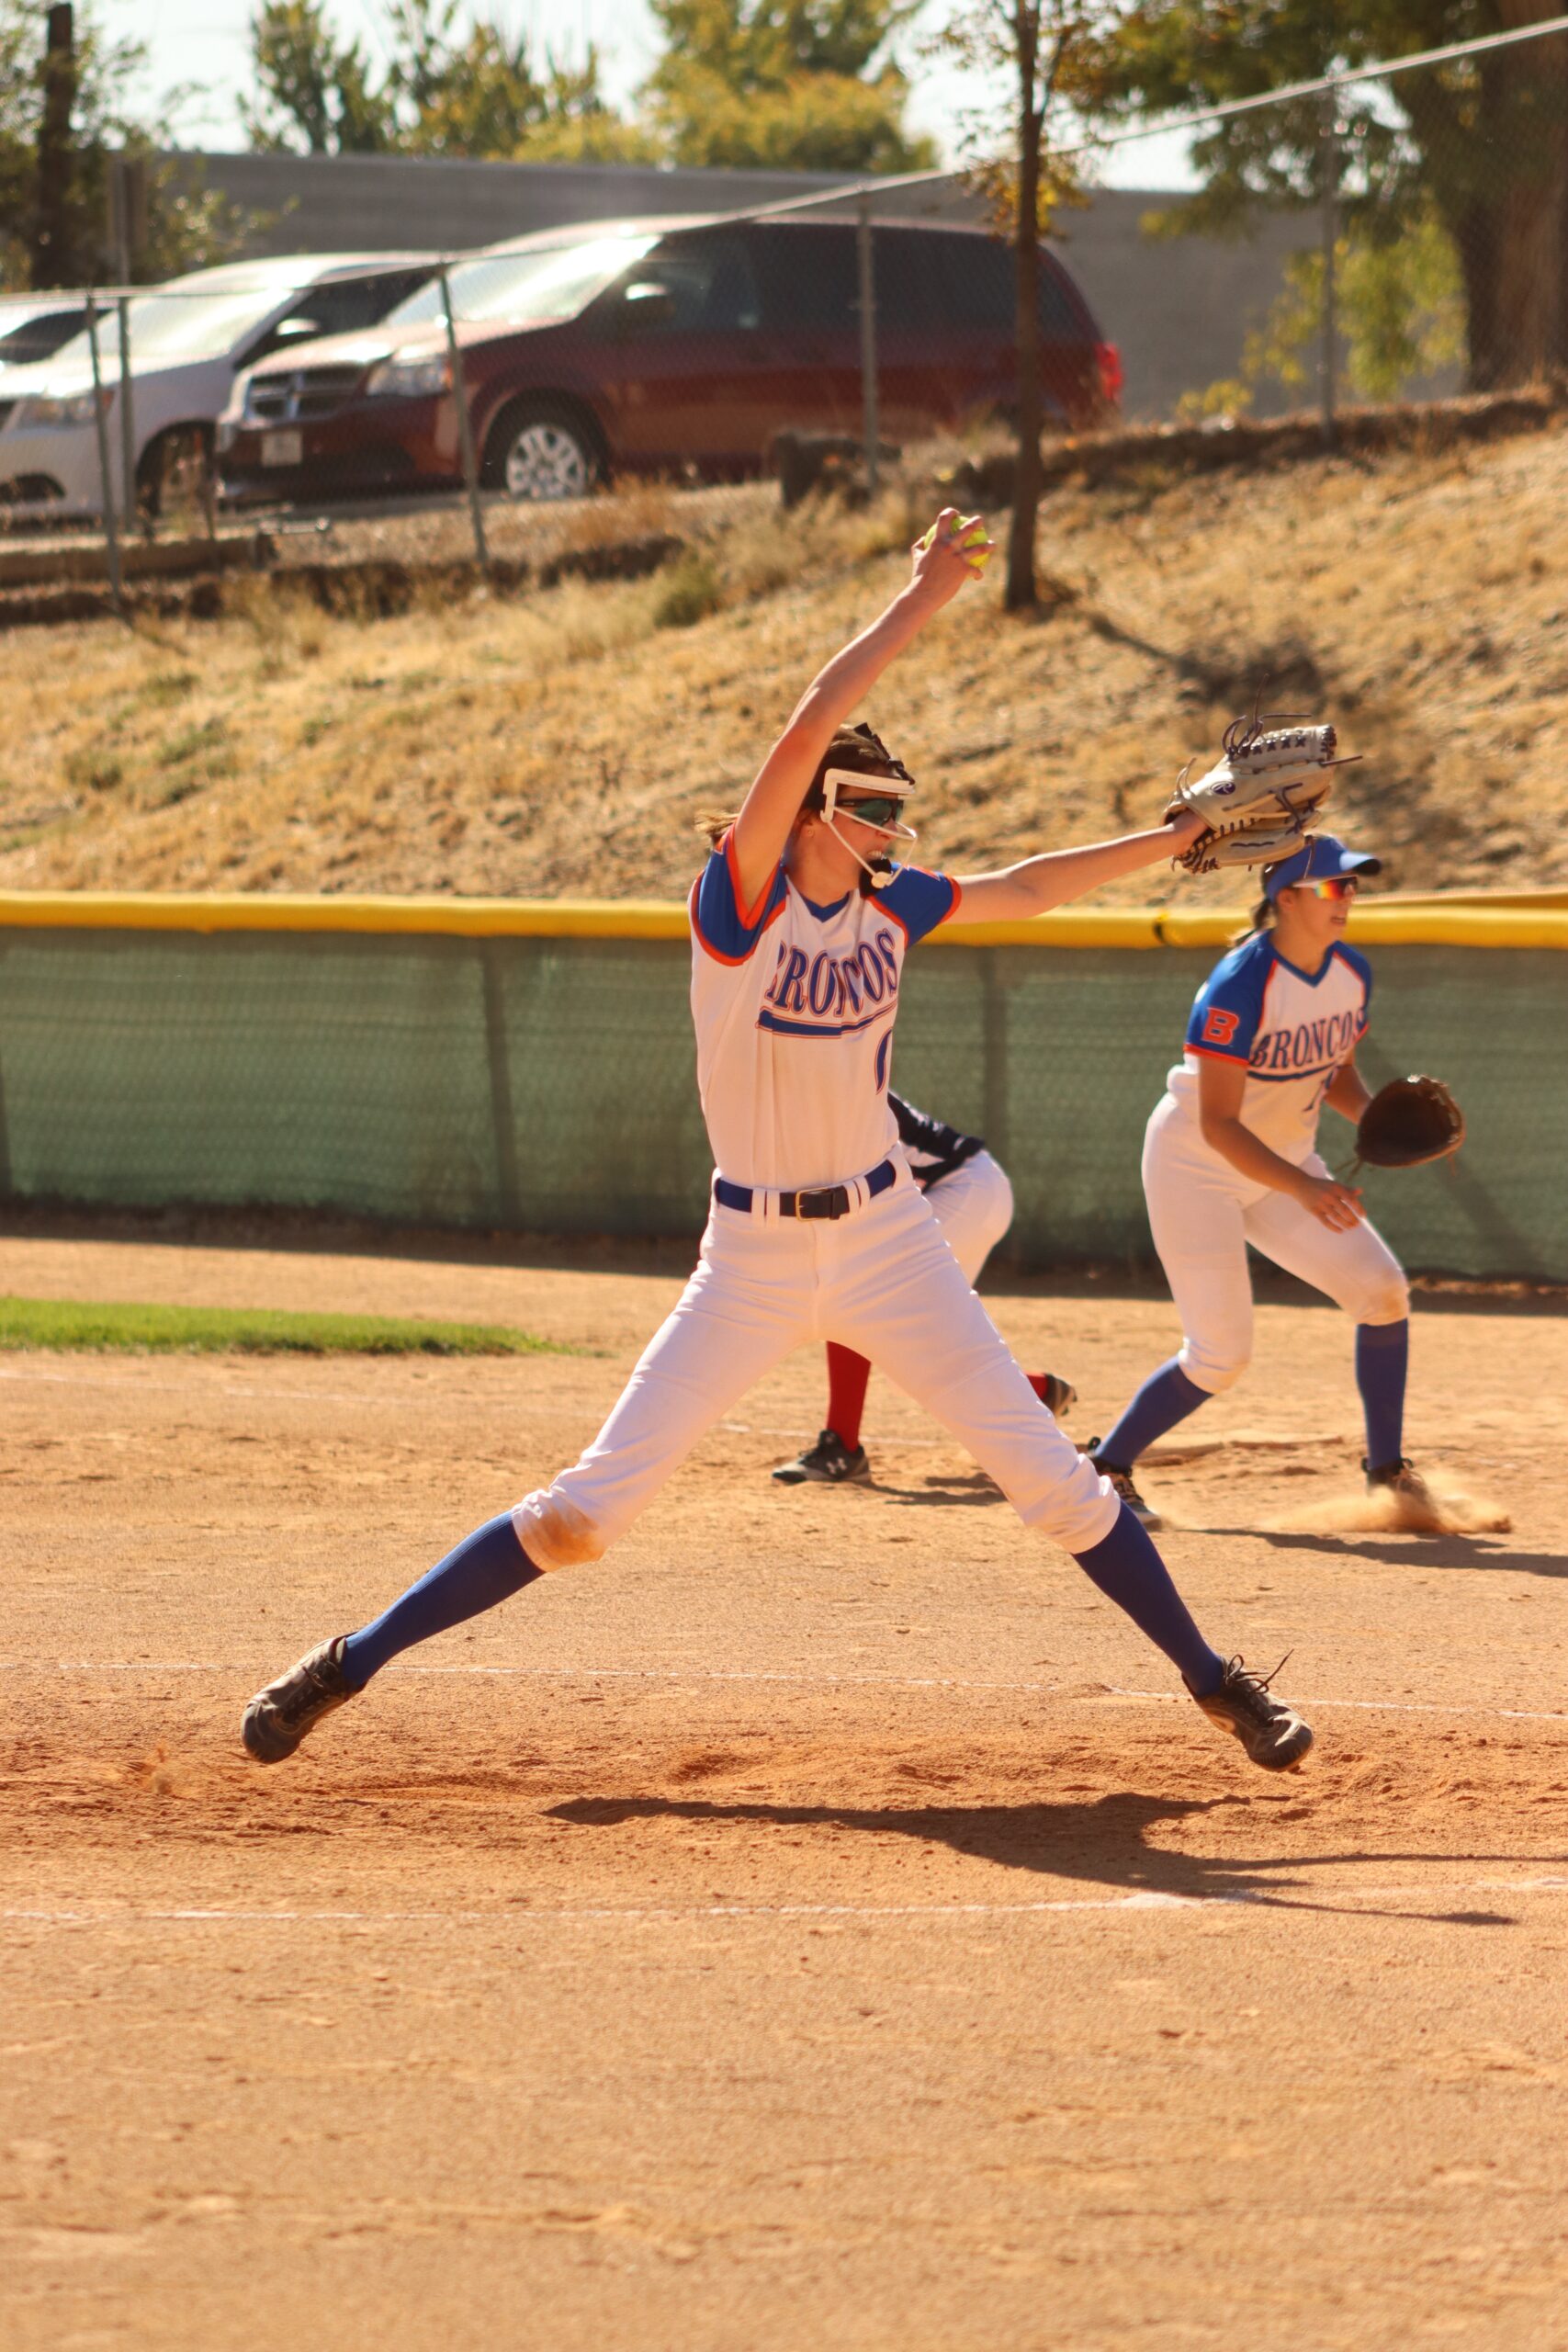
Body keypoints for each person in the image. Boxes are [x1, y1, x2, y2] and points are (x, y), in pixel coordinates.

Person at [242, 512, 1312, 1775]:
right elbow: (807, 722)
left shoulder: (889, 902)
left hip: (886, 1240)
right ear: (819, 811)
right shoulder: (739, 904)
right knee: (585, 1512)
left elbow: (1022, 887)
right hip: (746, 1256)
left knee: (1056, 1487)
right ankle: (345, 1664)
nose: (893, 834)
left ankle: (1213, 1683)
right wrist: (918, 602)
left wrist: (1173, 838)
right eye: (873, 813)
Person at [1084, 832, 1430, 1532]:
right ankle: (1104, 1467)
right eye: (1334, 886)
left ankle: (1386, 1474)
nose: (1348, 898)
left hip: (1282, 1164)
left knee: (1381, 1291)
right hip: (1196, 1169)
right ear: (1288, 898)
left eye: (1353, 885)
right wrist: (1304, 1188)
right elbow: (1217, 1124)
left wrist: (1372, 1117)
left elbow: (1333, 1069)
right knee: (1220, 1354)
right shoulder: (1238, 987)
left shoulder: (1350, 972)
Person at [771, 1089, 1076, 1487]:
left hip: (963, 1189)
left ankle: (842, 1447)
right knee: (901, 1338)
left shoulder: (830, 1087)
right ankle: (1036, 1393)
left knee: (859, 1293)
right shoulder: (807, 1083)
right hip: (959, 1190)